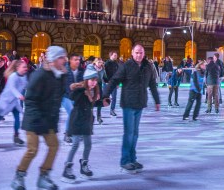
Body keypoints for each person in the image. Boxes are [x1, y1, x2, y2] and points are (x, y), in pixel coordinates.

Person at [11, 46, 68, 190]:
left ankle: (44, 176)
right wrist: (37, 120)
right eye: (62, 57)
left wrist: (64, 77)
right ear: (55, 59)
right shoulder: (40, 75)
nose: (65, 60)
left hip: (48, 119)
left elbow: (59, 97)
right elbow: (30, 100)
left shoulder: (58, 75)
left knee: (54, 145)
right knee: (32, 149)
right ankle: (19, 177)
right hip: (34, 119)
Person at [102, 44, 160, 172]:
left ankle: (132, 159)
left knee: (135, 134)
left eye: (141, 52)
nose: (139, 55)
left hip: (140, 103)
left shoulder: (147, 66)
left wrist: (157, 100)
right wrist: (104, 95)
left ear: (144, 54)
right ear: (132, 53)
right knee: (129, 133)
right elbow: (114, 80)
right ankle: (125, 161)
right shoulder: (127, 66)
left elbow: (152, 84)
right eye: (137, 52)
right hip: (128, 103)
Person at [62, 63, 103, 182]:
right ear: (86, 79)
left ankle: (84, 165)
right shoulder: (80, 90)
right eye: (91, 80)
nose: (94, 82)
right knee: (75, 144)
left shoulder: (94, 90)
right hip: (77, 120)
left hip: (87, 121)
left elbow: (92, 103)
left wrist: (102, 102)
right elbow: (73, 97)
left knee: (88, 144)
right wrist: (82, 91)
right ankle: (67, 168)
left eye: (95, 80)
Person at [0, 59, 28, 145]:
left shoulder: (24, 76)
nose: (26, 68)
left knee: (17, 118)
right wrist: (20, 96)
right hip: (6, 101)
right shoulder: (13, 76)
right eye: (24, 67)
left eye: (26, 67)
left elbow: (27, 85)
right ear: (18, 68)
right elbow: (13, 88)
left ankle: (16, 136)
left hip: (14, 102)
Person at [104, 51, 121, 116]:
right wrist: (106, 82)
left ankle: (112, 110)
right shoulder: (107, 63)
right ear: (111, 56)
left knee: (114, 97)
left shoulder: (116, 63)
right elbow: (104, 74)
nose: (116, 56)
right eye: (115, 55)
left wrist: (118, 83)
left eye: (116, 55)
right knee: (104, 97)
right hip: (108, 83)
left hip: (114, 83)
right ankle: (98, 113)